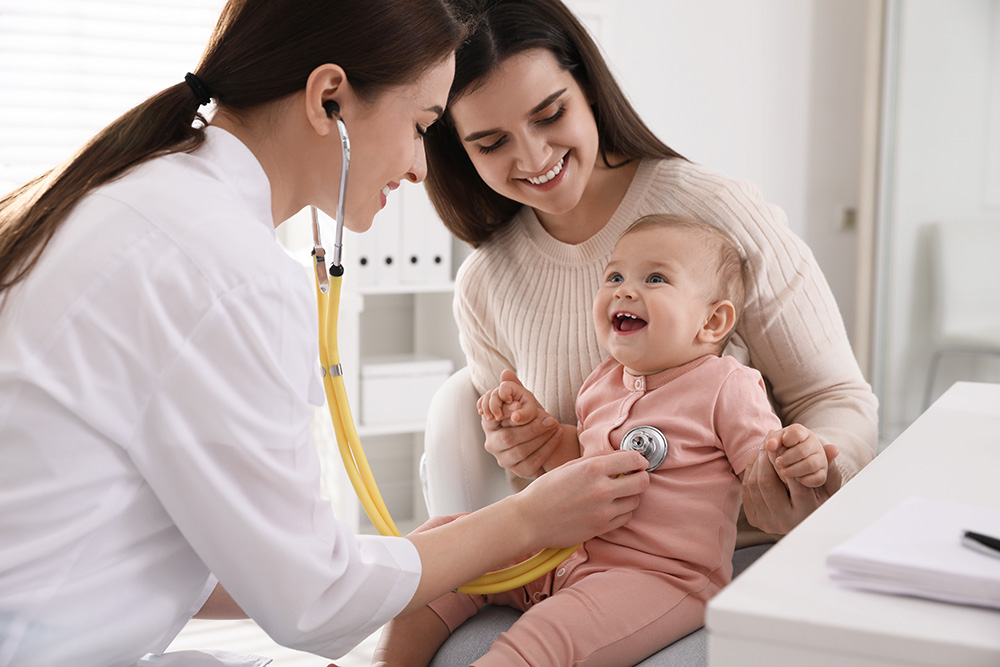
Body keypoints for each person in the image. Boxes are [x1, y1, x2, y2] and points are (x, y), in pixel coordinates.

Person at [0, 1, 653, 665]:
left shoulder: (144, 197)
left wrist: (414, 556)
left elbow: (202, 553)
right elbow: (314, 603)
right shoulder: (228, 269)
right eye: (422, 124)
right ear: (329, 98)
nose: (423, 167)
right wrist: (525, 519)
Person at [421, 0, 877, 544]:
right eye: (492, 143)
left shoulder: (715, 212)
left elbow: (836, 397)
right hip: (584, 566)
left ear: (587, 86)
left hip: (741, 555)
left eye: (550, 115)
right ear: (458, 149)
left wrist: (814, 475)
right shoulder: (486, 283)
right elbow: (538, 485)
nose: (534, 156)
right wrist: (522, 447)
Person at [376, 214, 833, 665]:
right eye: (614, 275)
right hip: (561, 553)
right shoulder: (602, 382)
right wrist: (539, 431)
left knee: (546, 635)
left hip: (656, 576)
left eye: (655, 278)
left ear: (712, 322)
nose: (624, 289)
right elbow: (579, 460)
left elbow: (763, 472)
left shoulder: (726, 385)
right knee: (444, 548)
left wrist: (795, 460)